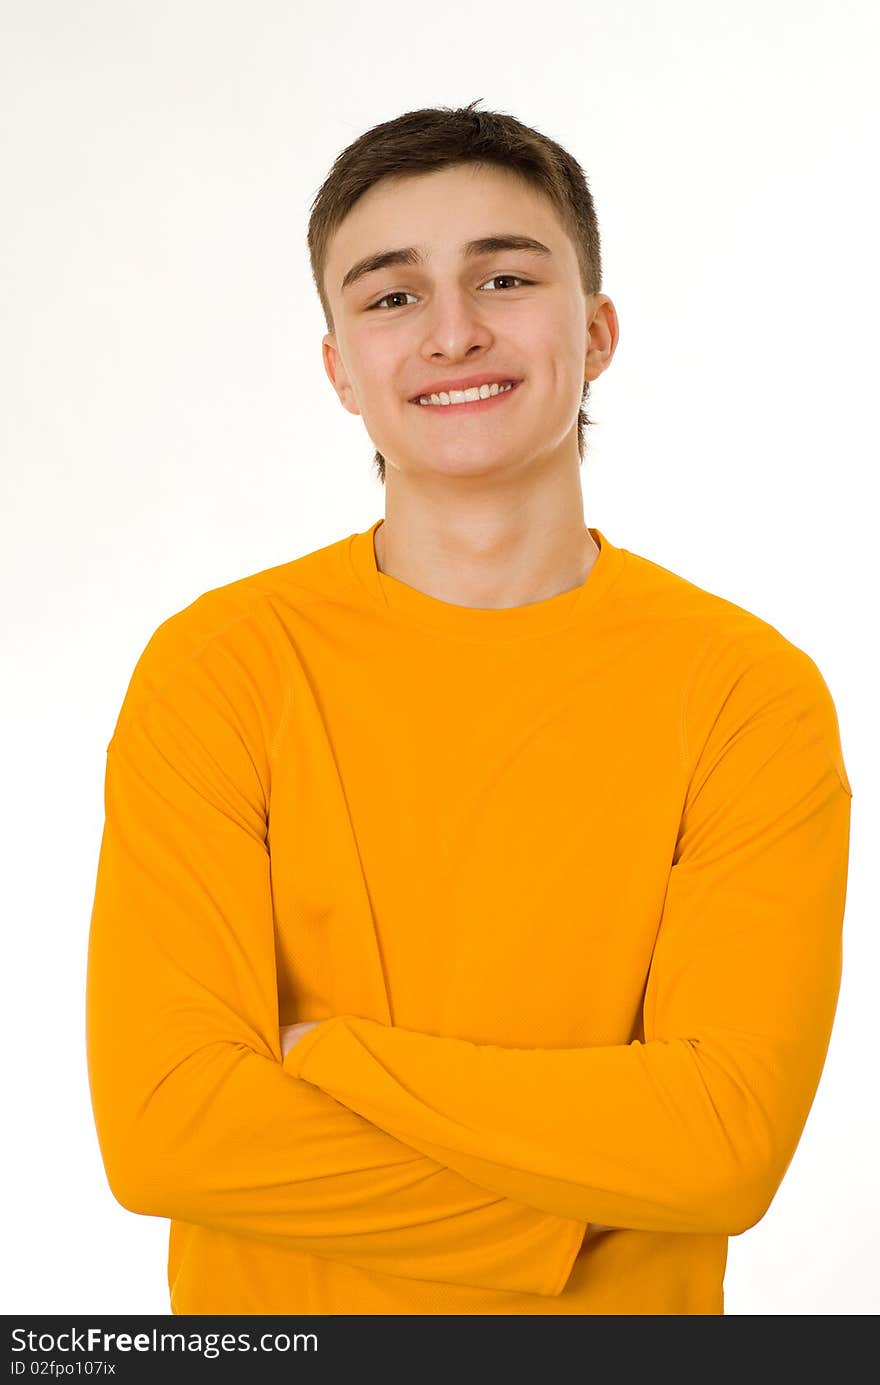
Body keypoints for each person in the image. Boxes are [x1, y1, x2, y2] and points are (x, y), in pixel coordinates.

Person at [86, 100, 852, 1316]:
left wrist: (331, 1056)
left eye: (503, 277)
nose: (453, 332)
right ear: (341, 367)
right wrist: (567, 1214)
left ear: (595, 332)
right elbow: (166, 1127)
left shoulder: (745, 694)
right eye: (392, 296)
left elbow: (724, 1143)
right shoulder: (220, 669)